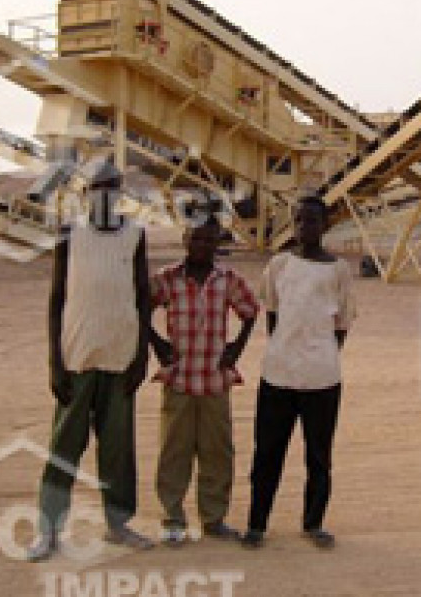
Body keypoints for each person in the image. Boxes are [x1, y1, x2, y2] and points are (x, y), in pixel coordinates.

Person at [28, 161, 152, 562]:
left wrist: (141, 355)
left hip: (120, 356)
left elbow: (142, 297)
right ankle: (48, 530)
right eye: (98, 187)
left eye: (112, 187)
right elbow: (56, 299)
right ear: (86, 194)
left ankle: (118, 524)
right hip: (77, 357)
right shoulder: (70, 235)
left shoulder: (135, 235)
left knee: (117, 449)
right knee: (65, 445)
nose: (105, 193)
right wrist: (54, 361)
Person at [242, 196, 356, 551]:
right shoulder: (279, 265)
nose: (305, 227)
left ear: (325, 225)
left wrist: (318, 352)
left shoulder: (339, 271)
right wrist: (285, 348)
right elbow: (273, 314)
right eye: (300, 221)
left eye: (312, 221)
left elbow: (342, 325)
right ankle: (257, 524)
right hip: (277, 373)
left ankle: (314, 522)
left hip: (322, 378)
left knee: (318, 455)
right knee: (267, 453)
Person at [149, 216, 259, 545]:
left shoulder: (228, 280)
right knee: (174, 451)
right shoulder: (167, 279)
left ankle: (213, 518)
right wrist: (156, 343)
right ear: (185, 240)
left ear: (217, 244)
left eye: (208, 241)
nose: (202, 247)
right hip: (179, 379)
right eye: (196, 240)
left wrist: (236, 348)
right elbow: (141, 307)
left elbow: (250, 312)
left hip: (214, 380)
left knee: (217, 452)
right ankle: (172, 518)